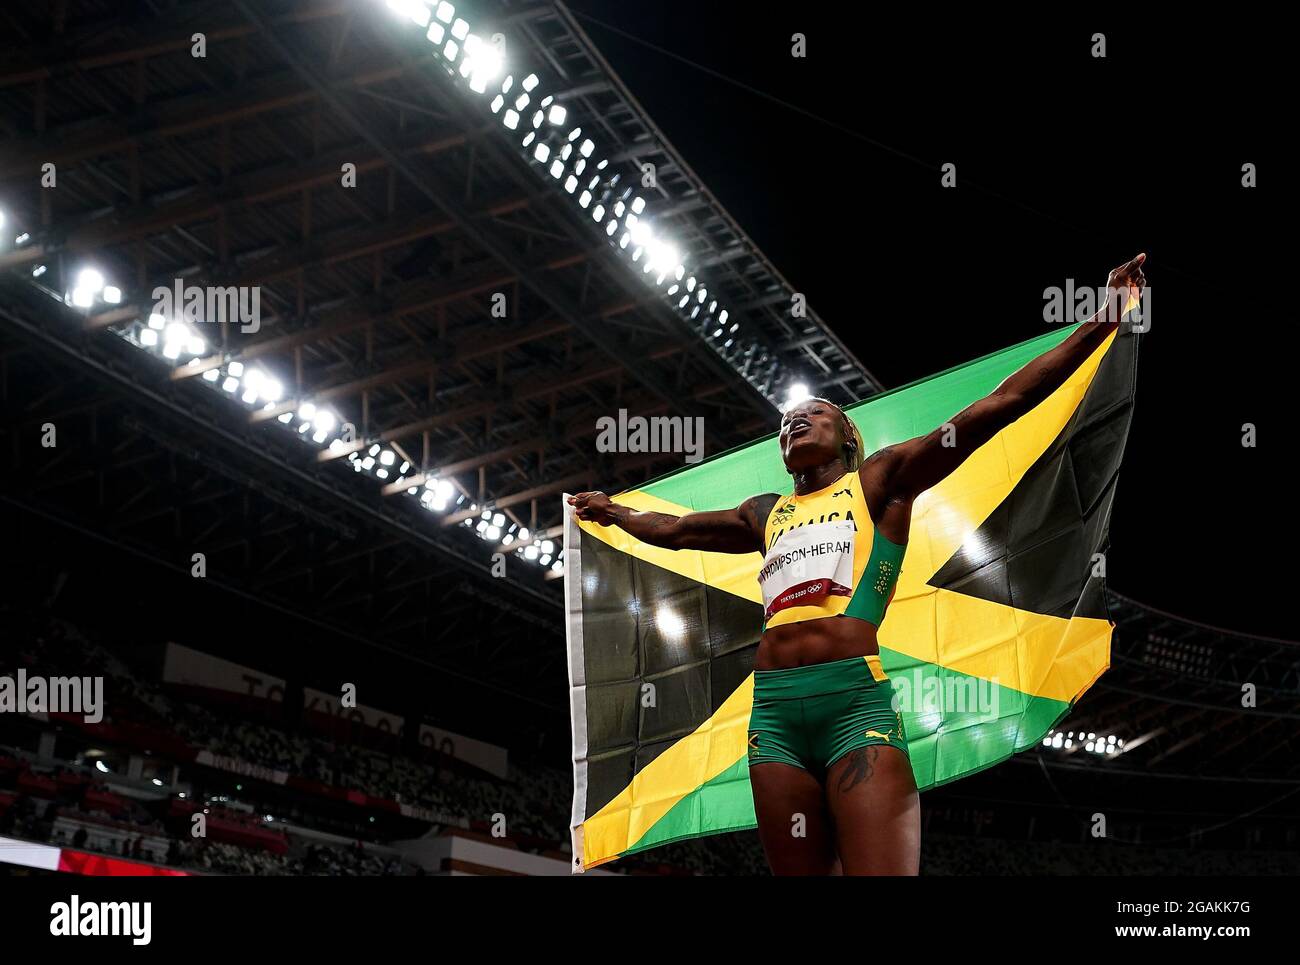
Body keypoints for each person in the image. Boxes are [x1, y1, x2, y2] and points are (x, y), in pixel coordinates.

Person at [570, 254, 1146, 875]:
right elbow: (676, 531)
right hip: (773, 716)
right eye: (788, 420)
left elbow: (1001, 404)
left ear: (848, 436)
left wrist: (1102, 321)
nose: (794, 421)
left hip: (853, 707)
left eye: (815, 413)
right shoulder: (765, 513)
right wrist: (612, 514)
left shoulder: (881, 484)